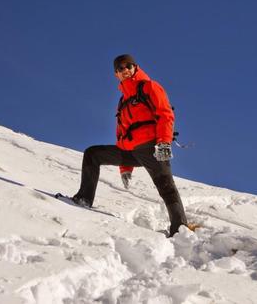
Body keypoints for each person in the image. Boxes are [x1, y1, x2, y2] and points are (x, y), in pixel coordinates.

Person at [72, 54, 188, 237]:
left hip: (152, 148)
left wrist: (164, 144)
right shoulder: (122, 101)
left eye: (128, 66)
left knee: (165, 186)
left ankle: (179, 229)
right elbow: (122, 133)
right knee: (92, 154)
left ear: (135, 67)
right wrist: (125, 167)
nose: (124, 70)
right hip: (131, 152)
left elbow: (166, 115)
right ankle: (84, 199)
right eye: (119, 69)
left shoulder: (150, 87)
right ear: (116, 75)